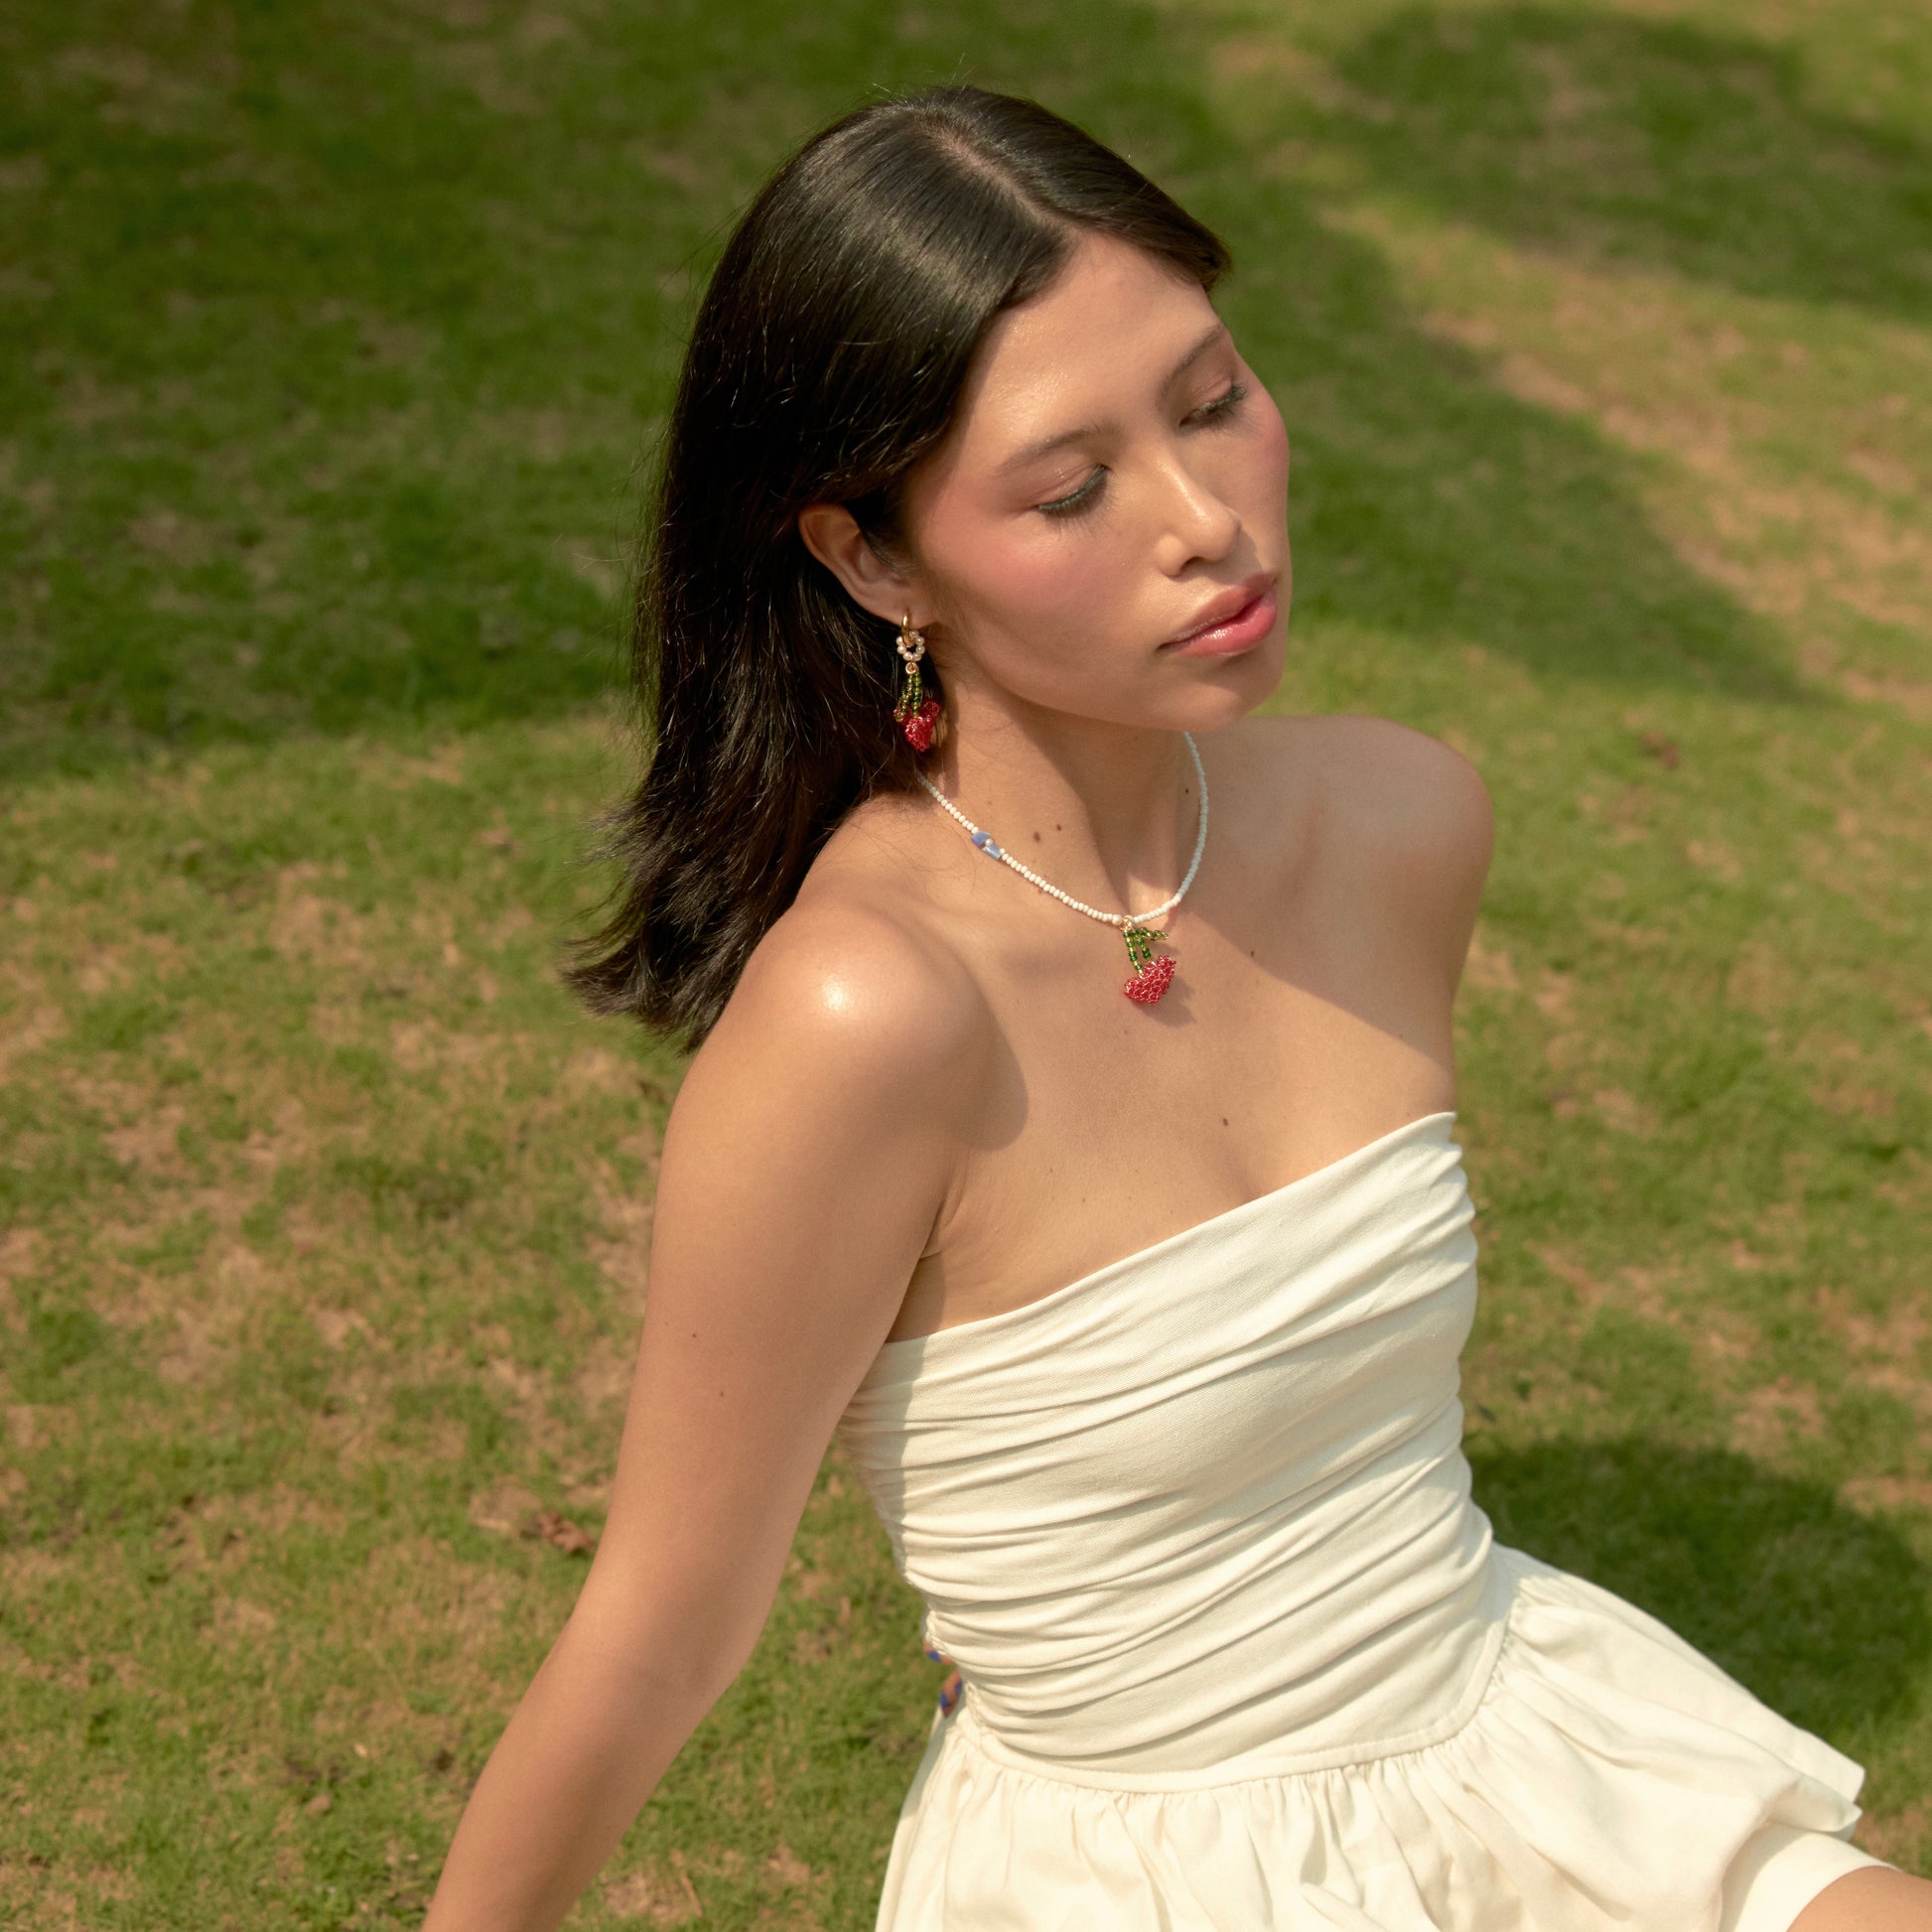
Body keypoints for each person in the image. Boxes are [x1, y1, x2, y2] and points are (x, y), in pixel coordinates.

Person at [421, 86, 1926, 1932]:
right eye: (1071, 489)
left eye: (1212, 400)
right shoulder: (864, 1011)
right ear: (870, 557)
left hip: (1523, 1748)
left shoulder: (1398, 819)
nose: (1208, 520)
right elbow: (661, 1627)